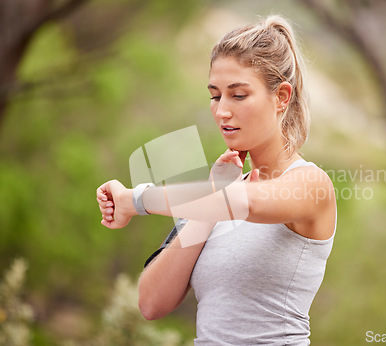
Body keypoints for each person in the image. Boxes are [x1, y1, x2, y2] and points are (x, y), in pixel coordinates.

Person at [96, 15, 337, 345]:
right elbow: (151, 303)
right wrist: (209, 199)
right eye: (215, 96)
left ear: (281, 97)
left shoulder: (311, 184)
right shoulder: (217, 197)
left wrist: (135, 200)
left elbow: (240, 204)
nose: (222, 111)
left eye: (238, 96)